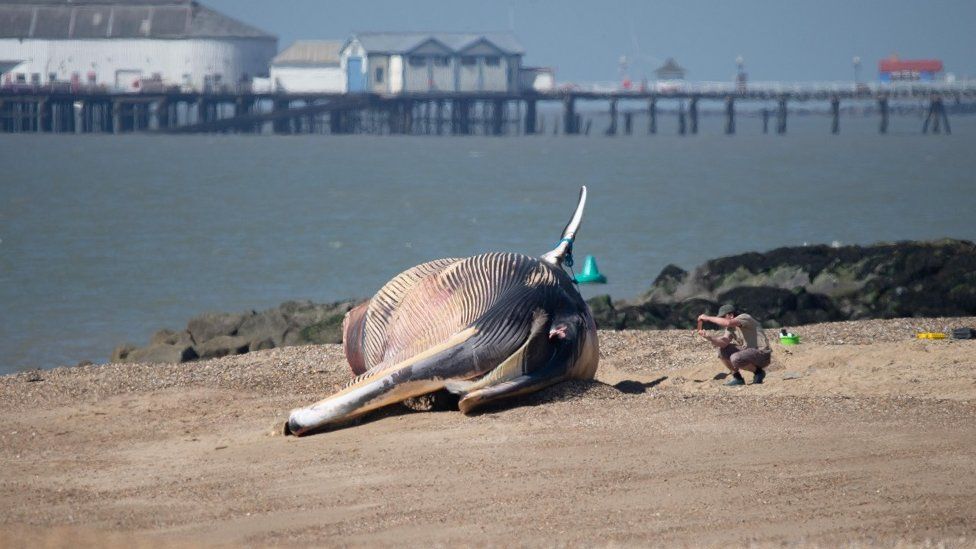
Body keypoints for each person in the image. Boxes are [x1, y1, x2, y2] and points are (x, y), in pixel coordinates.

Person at [697, 304, 772, 386]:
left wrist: (707, 318)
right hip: (748, 352)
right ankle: (738, 378)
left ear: (731, 315)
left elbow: (727, 322)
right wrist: (710, 338)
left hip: (762, 353)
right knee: (722, 350)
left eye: (722, 317)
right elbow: (724, 343)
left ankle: (758, 372)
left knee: (736, 358)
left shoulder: (745, 317)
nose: (720, 320)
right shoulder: (731, 327)